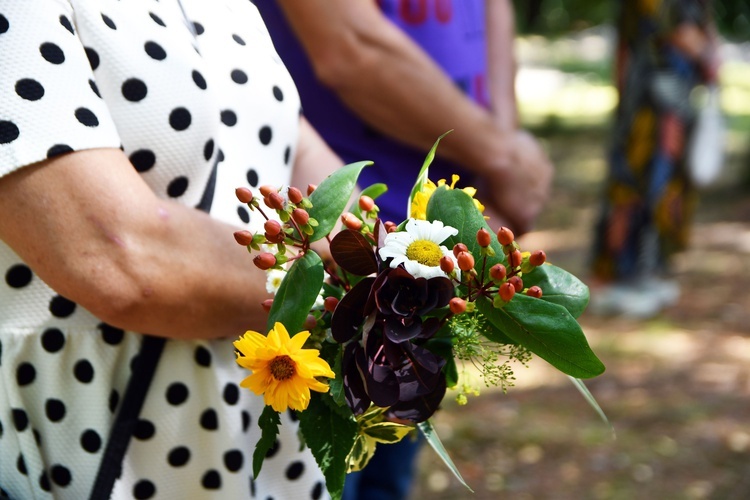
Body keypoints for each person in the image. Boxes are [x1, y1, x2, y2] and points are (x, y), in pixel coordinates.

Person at [0, 1, 342, 498]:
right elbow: (123, 259)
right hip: (94, 437)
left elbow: (312, 176)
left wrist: (409, 266)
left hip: (267, 444)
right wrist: (356, 301)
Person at [253, 1, 554, 498]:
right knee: (323, 476)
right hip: (334, 245)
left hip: (443, 242)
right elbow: (350, 46)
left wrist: (503, 162)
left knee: (389, 474)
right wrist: (504, 157)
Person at [589, 0, 720, 318]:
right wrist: (708, 54)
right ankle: (618, 274)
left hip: (666, 106)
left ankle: (641, 272)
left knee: (657, 190)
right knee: (636, 188)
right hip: (650, 110)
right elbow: (679, 34)